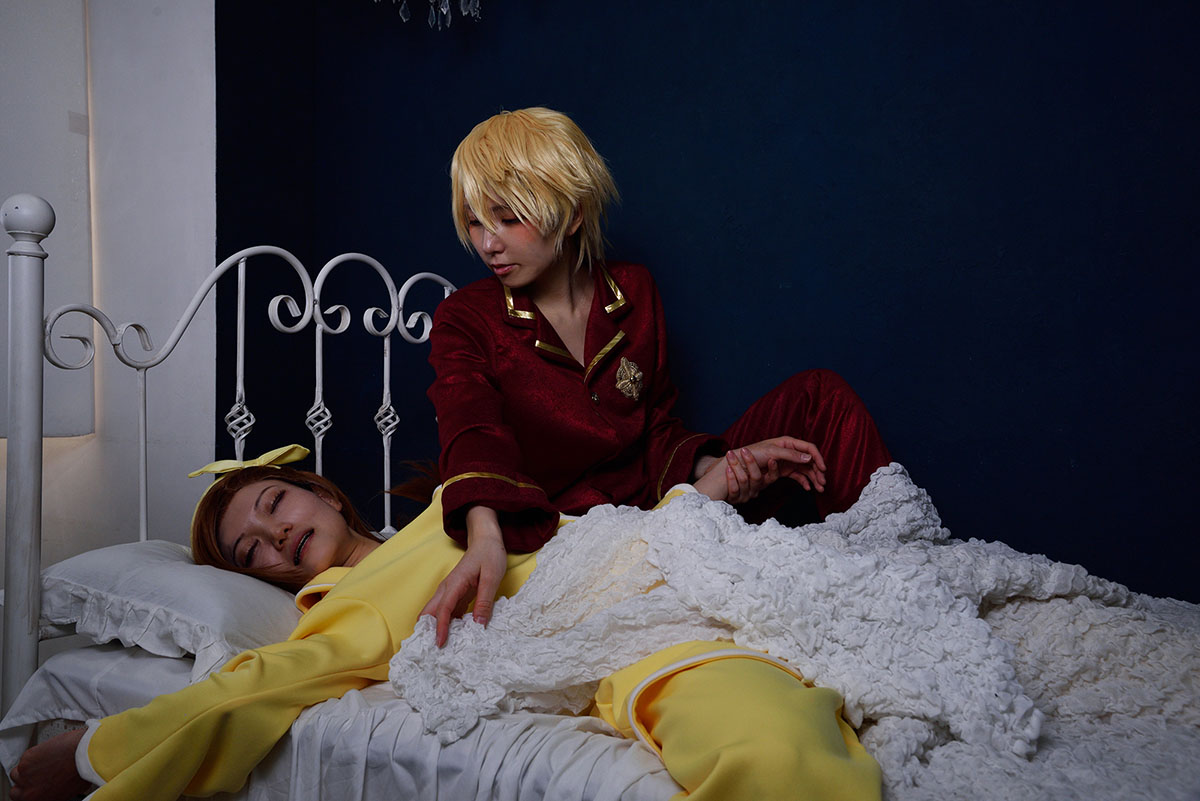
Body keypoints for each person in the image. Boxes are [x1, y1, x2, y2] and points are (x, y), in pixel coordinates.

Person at [10, 448, 881, 801]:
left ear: (322, 492)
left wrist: (701, 493)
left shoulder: (454, 503)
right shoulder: (346, 606)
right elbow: (255, 686)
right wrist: (91, 753)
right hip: (632, 637)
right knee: (775, 753)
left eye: (275, 503)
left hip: (661, 566)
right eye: (251, 553)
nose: (273, 536)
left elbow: (590, 528)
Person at [421, 107, 892, 646]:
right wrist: (484, 534)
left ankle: (894, 571)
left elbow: (656, 427)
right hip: (571, 533)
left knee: (820, 395)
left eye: (507, 219)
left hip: (664, 500)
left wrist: (721, 467)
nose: (488, 244)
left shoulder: (634, 290)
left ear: (571, 214)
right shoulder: (466, 317)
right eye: (475, 222)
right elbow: (471, 428)